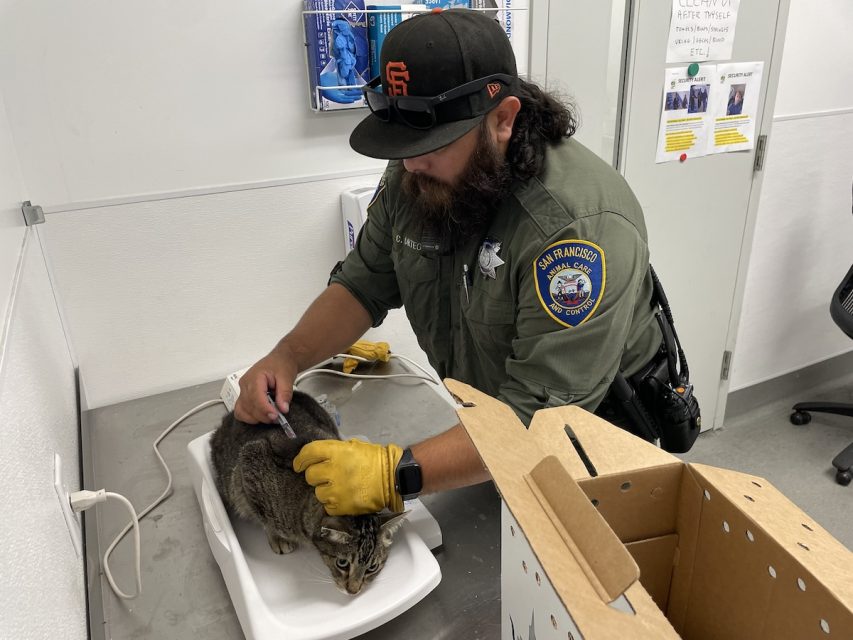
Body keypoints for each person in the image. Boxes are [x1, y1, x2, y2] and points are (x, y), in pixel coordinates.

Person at [235, 9, 664, 516]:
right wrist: (287, 356)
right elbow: (363, 283)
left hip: (591, 452)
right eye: (404, 145)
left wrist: (395, 474)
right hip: (490, 432)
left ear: (503, 119)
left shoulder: (573, 229)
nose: (410, 163)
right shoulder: (419, 176)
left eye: (432, 145)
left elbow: (542, 417)